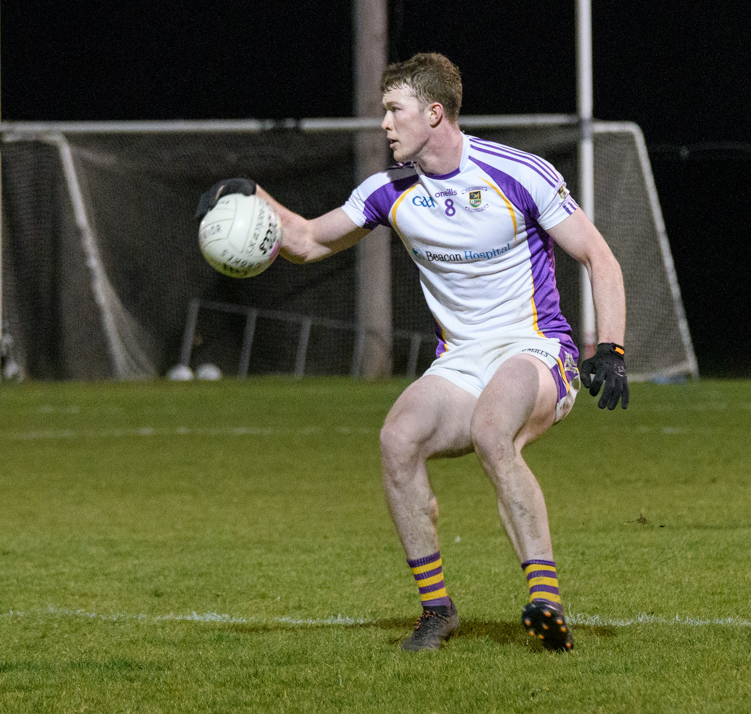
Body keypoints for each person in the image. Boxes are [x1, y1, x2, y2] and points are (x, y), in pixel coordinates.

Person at [196, 52, 628, 653]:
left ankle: (545, 599)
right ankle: (436, 609)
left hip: (534, 350)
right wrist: (249, 194)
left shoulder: (517, 173)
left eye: (394, 110)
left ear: (433, 113)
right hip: (460, 360)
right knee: (398, 439)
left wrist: (609, 347)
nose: (385, 124)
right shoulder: (388, 190)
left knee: (491, 429)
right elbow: (306, 241)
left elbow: (598, 257)